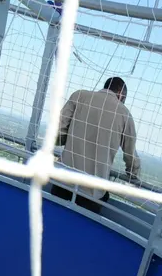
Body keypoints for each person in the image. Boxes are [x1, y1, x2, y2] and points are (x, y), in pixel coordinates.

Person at [53, 76, 140, 211]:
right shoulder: (124, 114)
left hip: (62, 181)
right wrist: (133, 173)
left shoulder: (79, 96)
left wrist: (69, 139)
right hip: (92, 193)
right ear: (121, 94)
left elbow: (58, 131)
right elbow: (130, 153)